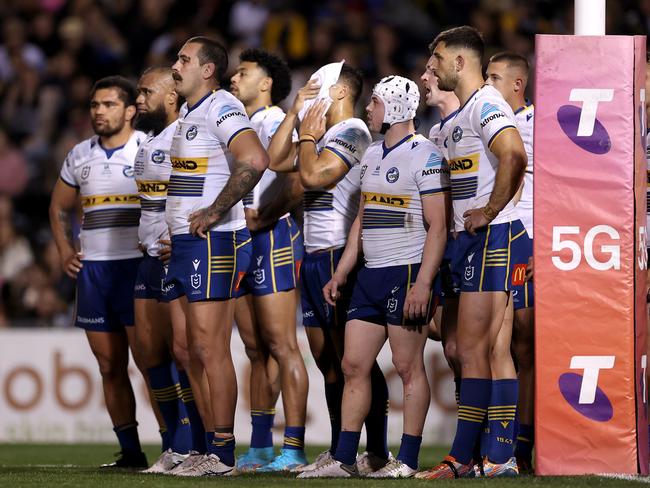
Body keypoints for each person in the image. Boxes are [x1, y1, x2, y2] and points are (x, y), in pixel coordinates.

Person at [304, 75, 450, 478]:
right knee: (353, 364)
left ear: (397, 108)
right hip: (369, 276)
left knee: (407, 367)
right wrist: (342, 272)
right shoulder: (370, 154)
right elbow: (362, 222)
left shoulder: (426, 155)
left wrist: (423, 283)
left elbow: (438, 226)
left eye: (375, 102)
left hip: (405, 274)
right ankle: (346, 458)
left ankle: (406, 461)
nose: (368, 109)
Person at [415, 26, 527, 479]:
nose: (432, 66)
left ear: (459, 62)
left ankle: (467, 458)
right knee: (462, 346)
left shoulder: (487, 104)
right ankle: (493, 456)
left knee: (479, 348)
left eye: (437, 58)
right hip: (465, 245)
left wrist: (489, 209)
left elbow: (515, 155)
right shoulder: (457, 118)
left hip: (494, 237)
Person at [268, 64, 390, 475]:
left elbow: (315, 176)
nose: (308, 92)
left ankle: (372, 452)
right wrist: (294, 112)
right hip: (315, 254)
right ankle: (342, 449)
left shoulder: (354, 132)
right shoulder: (319, 134)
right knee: (326, 359)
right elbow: (274, 160)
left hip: (342, 255)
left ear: (338, 92)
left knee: (356, 361)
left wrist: (306, 136)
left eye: (314, 87)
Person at [164, 36, 269, 477]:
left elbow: (255, 159)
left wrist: (214, 210)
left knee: (210, 348)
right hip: (186, 243)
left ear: (207, 70)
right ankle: (209, 448)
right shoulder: (191, 114)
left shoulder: (221, 106)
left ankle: (223, 454)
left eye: (184, 59)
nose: (175, 66)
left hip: (211, 241)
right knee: (190, 349)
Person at [49, 75, 148, 468]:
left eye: (108, 105)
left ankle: (177, 447)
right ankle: (131, 452)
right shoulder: (78, 155)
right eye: (94, 105)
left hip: (137, 268)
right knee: (109, 365)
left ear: (130, 111)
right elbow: (58, 207)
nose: (99, 111)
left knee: (151, 363)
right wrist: (62, 248)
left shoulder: (148, 149)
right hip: (94, 271)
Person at [229, 48, 309, 472]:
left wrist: (268, 216)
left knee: (282, 346)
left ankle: (293, 448)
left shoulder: (275, 120)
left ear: (265, 84)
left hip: (271, 238)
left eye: (242, 73)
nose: (233, 78)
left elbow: (294, 180)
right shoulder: (238, 126)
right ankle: (261, 446)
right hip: (241, 238)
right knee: (256, 348)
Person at [133, 66, 206, 473]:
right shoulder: (148, 141)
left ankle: (196, 443)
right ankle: (171, 445)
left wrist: (180, 235)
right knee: (149, 356)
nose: (139, 100)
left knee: (184, 352)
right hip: (146, 257)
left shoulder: (186, 136)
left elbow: (205, 187)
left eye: (146, 92)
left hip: (173, 255)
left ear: (171, 97)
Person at [485, 51, 535, 474]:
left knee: (522, 341)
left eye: (495, 77)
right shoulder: (480, 117)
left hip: (527, 240)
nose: (488, 84)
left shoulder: (537, 123)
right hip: (494, 237)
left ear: (517, 85)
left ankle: (523, 442)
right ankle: (492, 438)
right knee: (486, 342)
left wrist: (545, 246)